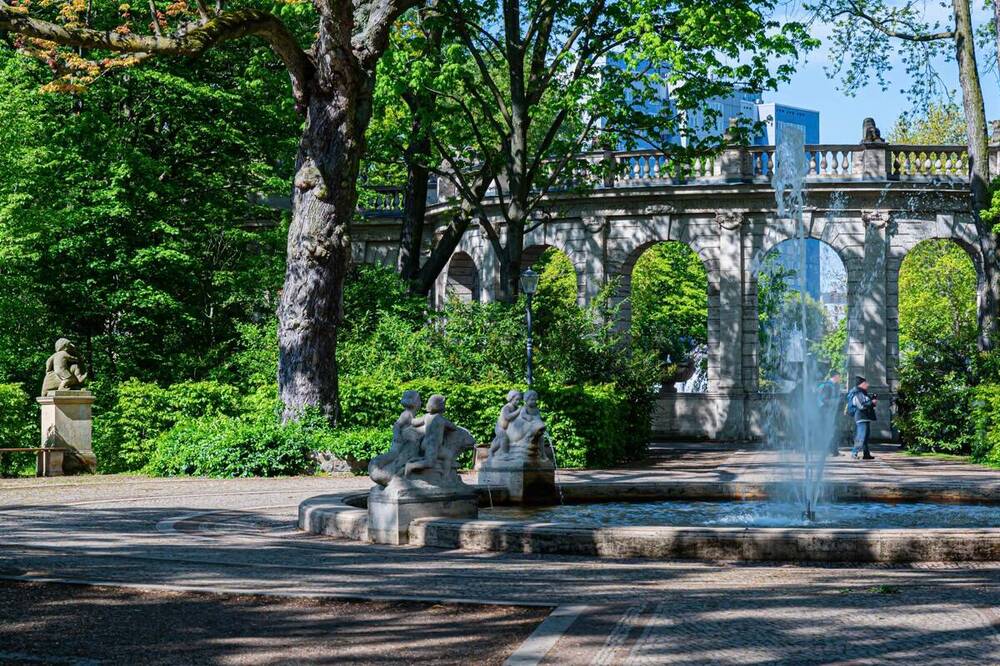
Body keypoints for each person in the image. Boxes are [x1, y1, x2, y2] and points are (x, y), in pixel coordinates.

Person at [847, 376, 877, 460]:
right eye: (865, 383)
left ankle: (866, 454)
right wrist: (871, 402)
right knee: (861, 436)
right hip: (861, 417)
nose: (867, 384)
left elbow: (866, 403)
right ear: (861, 384)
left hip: (865, 417)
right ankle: (854, 453)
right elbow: (861, 405)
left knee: (865, 437)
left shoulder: (863, 392)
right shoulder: (857, 392)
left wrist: (872, 402)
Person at [816, 371, 842, 456]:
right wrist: (836, 401)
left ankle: (834, 451)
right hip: (827, 412)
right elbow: (824, 399)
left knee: (834, 431)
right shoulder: (828, 385)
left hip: (832, 412)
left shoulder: (835, 385)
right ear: (835, 376)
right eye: (839, 376)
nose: (840, 378)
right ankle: (827, 451)